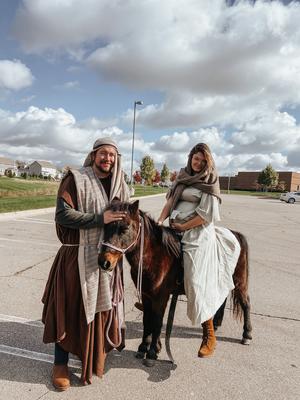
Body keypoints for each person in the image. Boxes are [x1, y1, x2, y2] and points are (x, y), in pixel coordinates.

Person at [42, 137, 130, 390]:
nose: (108, 159)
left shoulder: (120, 185)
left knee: (102, 310)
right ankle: (60, 363)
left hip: (106, 258)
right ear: (93, 155)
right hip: (76, 255)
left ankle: (92, 358)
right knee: (68, 309)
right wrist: (99, 219)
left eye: (112, 155)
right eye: (103, 153)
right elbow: (62, 214)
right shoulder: (76, 178)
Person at [157, 143, 240, 358]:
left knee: (194, 277)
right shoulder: (182, 176)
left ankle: (209, 333)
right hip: (174, 228)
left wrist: (184, 226)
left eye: (203, 161)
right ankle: (154, 298)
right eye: (196, 159)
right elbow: (169, 203)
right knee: (152, 260)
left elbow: (206, 215)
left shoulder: (209, 181)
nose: (199, 163)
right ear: (190, 158)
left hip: (197, 232)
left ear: (208, 162)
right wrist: (159, 222)